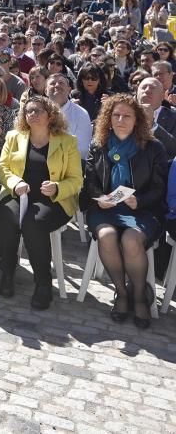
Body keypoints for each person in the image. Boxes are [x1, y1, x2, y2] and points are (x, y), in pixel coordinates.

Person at [80, 94, 168, 329]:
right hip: (105, 209)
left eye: (127, 115)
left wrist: (139, 201)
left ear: (137, 120)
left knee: (130, 240)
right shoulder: (99, 145)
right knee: (107, 236)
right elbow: (89, 181)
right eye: (116, 115)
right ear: (108, 119)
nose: (121, 119)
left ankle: (139, 296)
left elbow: (159, 188)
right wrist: (99, 198)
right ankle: (121, 293)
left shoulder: (153, 148)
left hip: (142, 210)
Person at [0, 96, 83, 309]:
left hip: (53, 202)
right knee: (6, 216)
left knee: (33, 224)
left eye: (38, 111)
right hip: (19, 195)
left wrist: (57, 188)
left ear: (50, 115)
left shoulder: (67, 141)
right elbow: (2, 167)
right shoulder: (14, 137)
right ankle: (7, 272)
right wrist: (15, 183)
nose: (32, 114)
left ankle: (43, 282)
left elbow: (76, 180)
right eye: (29, 111)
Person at [47, 72, 92, 159]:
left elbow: (83, 149)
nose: (56, 85)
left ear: (69, 90)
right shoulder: (38, 112)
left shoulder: (81, 114)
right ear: (46, 90)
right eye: (52, 83)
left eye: (61, 83)